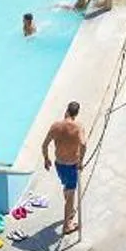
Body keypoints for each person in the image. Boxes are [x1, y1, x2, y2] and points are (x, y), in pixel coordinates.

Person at [42, 101, 86, 236]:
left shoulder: (56, 126)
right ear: (76, 114)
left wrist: (46, 158)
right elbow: (83, 144)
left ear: (66, 111)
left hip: (59, 164)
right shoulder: (78, 127)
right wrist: (80, 161)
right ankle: (67, 225)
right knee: (71, 194)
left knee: (67, 188)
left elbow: (44, 145)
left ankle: (70, 210)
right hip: (72, 165)